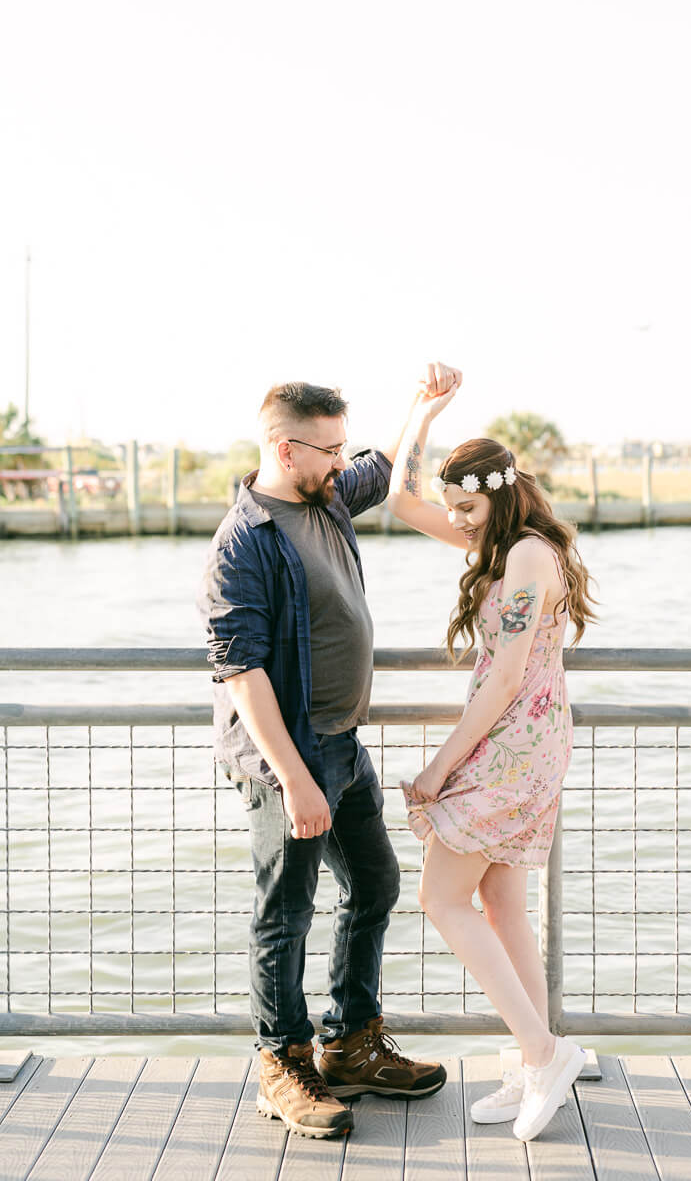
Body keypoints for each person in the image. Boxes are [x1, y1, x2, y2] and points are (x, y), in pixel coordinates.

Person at [199, 374, 457, 1140]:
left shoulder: (329, 497)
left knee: (374, 885)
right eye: (331, 448)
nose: (344, 462)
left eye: (345, 447)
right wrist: (294, 778)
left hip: (343, 746)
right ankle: (283, 1064)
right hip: (290, 760)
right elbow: (240, 671)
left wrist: (423, 412)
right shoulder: (242, 542)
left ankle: (351, 1044)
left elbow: (390, 467)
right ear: (286, 447)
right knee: (284, 915)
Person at [386, 366, 597, 1142]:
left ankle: (545, 1054)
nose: (456, 521)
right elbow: (401, 501)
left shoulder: (528, 559)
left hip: (511, 746)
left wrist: (440, 769)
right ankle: (533, 1055)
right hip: (521, 743)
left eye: (468, 507)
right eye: (455, 509)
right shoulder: (500, 541)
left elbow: (506, 675)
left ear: (501, 495)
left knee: (442, 900)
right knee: (502, 903)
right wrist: (422, 413)